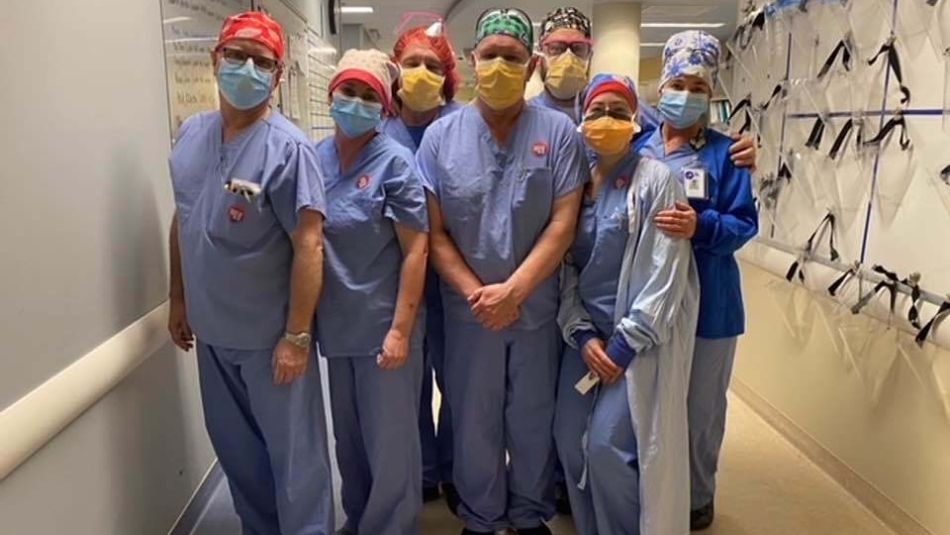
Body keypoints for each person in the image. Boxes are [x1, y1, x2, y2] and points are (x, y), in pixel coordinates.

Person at [415, 8, 587, 534]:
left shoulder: (559, 134)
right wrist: (477, 294)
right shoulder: (441, 138)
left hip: (534, 310)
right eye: (489, 56)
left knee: (532, 419)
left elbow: (563, 221)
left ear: (532, 64)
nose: (499, 66)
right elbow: (434, 232)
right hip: (470, 315)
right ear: (470, 62)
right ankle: (483, 517)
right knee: (473, 421)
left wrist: (514, 290)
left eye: (511, 57)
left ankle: (529, 514)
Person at [167, 11, 333, 535]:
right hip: (212, 334)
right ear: (216, 60)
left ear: (278, 77)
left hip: (269, 340)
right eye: (236, 55)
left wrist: (297, 336)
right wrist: (177, 298)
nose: (246, 69)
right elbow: (184, 217)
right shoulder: (191, 135)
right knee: (238, 455)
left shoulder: (289, 150)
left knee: (296, 459)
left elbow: (309, 245)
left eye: (261, 62)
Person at [555, 73, 700, 535]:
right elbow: (565, 264)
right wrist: (579, 332)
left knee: (606, 448)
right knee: (568, 441)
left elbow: (665, 272)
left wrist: (622, 346)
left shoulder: (656, 180)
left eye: (619, 111)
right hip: (584, 340)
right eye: (596, 110)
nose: (606, 120)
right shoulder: (575, 182)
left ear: (637, 121)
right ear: (581, 118)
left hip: (637, 345)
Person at [634, 31, 759, 531]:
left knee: (700, 410)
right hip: (646, 297)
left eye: (700, 87)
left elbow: (743, 225)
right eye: (678, 83)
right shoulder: (636, 145)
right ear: (662, 85)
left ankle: (695, 497)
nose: (686, 95)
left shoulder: (728, 154)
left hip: (711, 303)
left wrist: (700, 225)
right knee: (647, 403)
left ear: (712, 94)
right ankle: (646, 492)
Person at [315, 49, 430, 535]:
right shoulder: (313, 156)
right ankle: (360, 518)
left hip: (385, 322)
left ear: (384, 109)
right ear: (331, 95)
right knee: (350, 438)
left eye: (369, 97)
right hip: (337, 325)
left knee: (390, 441)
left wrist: (401, 330)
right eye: (350, 92)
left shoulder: (395, 162)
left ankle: (392, 526)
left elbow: (416, 250)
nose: (357, 103)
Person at [381, 21, 463, 508]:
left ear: (448, 75)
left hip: (454, 278)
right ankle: (423, 471)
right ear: (395, 71)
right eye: (412, 63)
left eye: (433, 65)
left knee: (457, 381)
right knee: (406, 385)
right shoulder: (378, 128)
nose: (421, 73)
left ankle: (454, 469)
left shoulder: (464, 127)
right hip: (395, 282)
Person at [530, 7, 758, 171]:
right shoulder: (528, 116)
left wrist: (729, 151)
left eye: (578, 49)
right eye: (556, 48)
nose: (568, 57)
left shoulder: (619, 103)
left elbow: (674, 136)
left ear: (590, 54)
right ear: (540, 55)